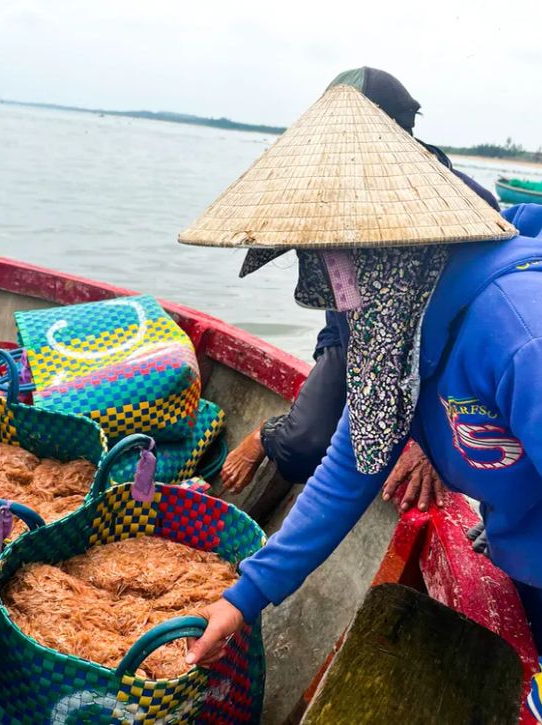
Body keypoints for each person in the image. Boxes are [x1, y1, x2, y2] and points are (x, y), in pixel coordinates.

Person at [179, 83, 542, 725]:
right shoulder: (395, 328)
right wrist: (243, 597)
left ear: (388, 249)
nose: (330, 287)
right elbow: (352, 465)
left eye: (333, 263)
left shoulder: (527, 335)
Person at [221, 66, 497, 512]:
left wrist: (432, 445)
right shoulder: (334, 193)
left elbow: (483, 333)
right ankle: (267, 444)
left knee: (409, 454)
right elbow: (340, 305)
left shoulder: (469, 211)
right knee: (306, 442)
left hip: (440, 360)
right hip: (353, 338)